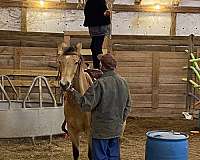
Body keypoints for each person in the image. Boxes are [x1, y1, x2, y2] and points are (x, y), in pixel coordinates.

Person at [68, 53, 131, 160]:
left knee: (100, 157)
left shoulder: (99, 84)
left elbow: (85, 104)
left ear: (102, 66)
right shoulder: (123, 82)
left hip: (100, 132)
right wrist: (120, 121)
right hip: (116, 130)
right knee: (113, 157)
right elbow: (128, 105)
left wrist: (72, 91)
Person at [83, 0, 111, 69]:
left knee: (96, 47)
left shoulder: (97, 2)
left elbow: (103, 11)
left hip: (99, 25)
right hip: (96, 25)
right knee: (94, 47)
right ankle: (97, 66)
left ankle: (101, 66)